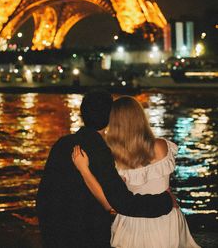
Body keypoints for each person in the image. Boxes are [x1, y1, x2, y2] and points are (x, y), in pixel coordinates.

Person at [36, 90, 173, 248]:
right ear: (110, 117)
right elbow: (123, 204)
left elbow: (44, 196)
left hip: (55, 233)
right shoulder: (102, 150)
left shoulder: (62, 144)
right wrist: (165, 201)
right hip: (87, 236)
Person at [72, 95, 200, 248]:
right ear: (140, 118)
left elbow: (109, 205)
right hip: (166, 218)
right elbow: (164, 184)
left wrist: (83, 169)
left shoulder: (113, 158)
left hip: (131, 222)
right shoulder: (162, 146)